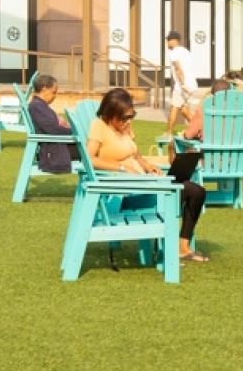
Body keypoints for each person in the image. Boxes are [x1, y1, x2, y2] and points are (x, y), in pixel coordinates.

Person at [85, 87, 209, 263]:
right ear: (110, 113)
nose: (128, 121)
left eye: (131, 116)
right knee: (193, 192)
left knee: (195, 190)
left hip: (145, 183)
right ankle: (178, 248)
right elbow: (89, 159)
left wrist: (148, 165)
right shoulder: (99, 126)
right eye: (124, 118)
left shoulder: (125, 128)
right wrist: (120, 167)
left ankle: (182, 247)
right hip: (127, 195)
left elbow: (135, 155)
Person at [25, 73, 74, 174]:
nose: (55, 96)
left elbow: (53, 127)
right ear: (44, 89)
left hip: (54, 146)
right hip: (53, 151)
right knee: (93, 150)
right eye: (54, 92)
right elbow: (54, 129)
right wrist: (75, 131)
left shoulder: (39, 106)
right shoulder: (37, 106)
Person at [164, 30, 202, 137]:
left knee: (174, 108)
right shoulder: (185, 51)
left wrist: (183, 84)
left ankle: (168, 133)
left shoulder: (174, 53)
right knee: (184, 109)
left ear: (173, 40)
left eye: (168, 40)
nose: (167, 42)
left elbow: (178, 69)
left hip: (182, 86)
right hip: (192, 84)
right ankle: (198, 129)